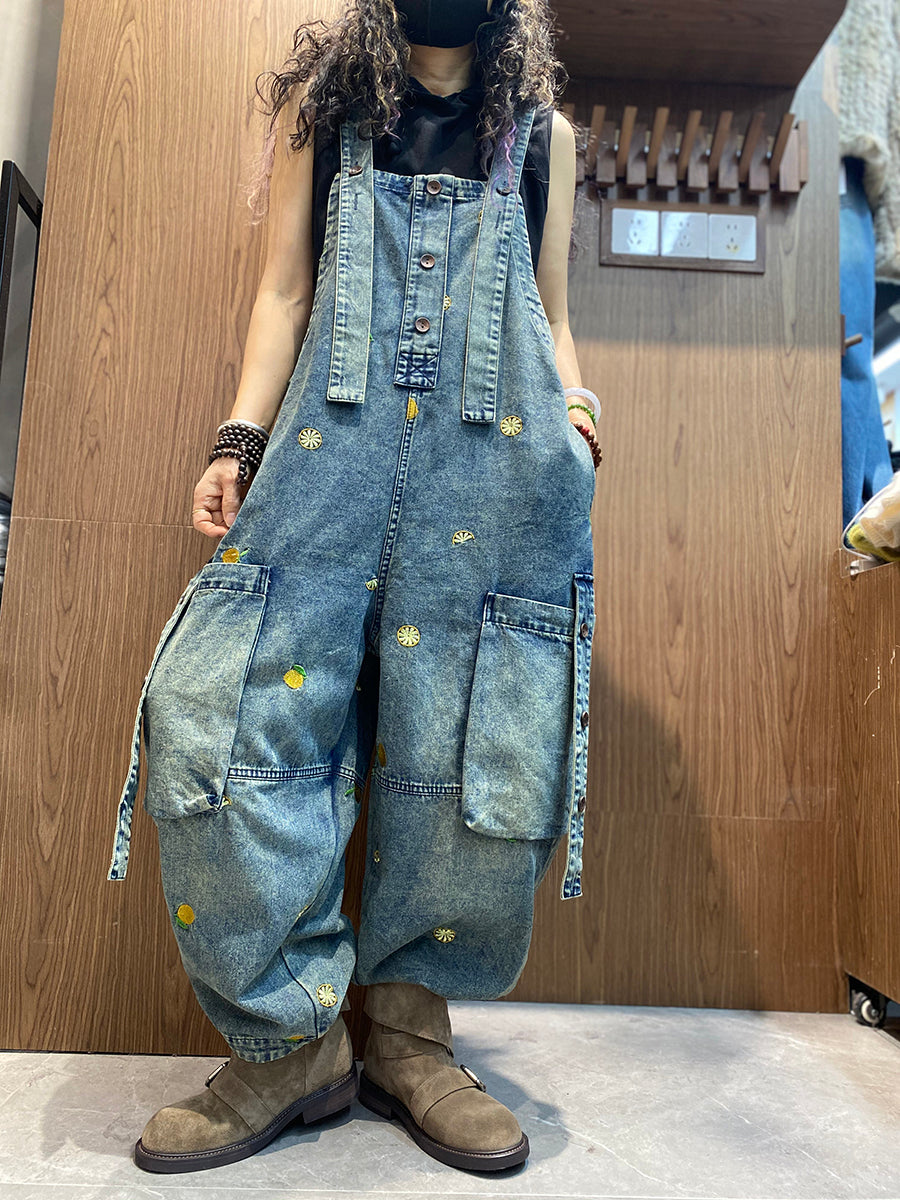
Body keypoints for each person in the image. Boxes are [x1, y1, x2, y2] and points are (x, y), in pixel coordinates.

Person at [105, 0, 600, 1176]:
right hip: (322, 462)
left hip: (498, 470)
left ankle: (412, 1040)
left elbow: (554, 317)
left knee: (470, 746)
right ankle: (290, 1046)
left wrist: (579, 425)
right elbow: (283, 295)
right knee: (214, 717)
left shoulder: (544, 137)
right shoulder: (324, 114)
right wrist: (237, 438)